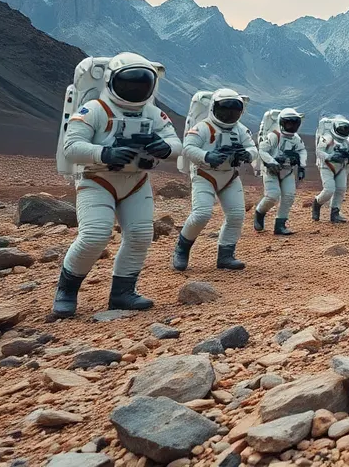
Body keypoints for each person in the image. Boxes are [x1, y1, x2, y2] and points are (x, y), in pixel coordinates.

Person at [54, 53, 180, 318]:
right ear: (111, 81)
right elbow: (71, 146)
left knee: (140, 236)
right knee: (94, 235)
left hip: (135, 182)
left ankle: (122, 293)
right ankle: (66, 291)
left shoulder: (153, 113)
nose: (135, 90)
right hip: (97, 179)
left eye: (141, 84)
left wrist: (165, 147)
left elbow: (176, 143)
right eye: (129, 84)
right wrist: (104, 154)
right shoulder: (95, 110)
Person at [173, 89, 258, 270]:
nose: (229, 114)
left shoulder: (240, 129)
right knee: (201, 214)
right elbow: (188, 147)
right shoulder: (203, 128)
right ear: (213, 108)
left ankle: (226, 255)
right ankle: (182, 248)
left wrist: (246, 154)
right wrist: (207, 156)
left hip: (229, 176)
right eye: (225, 110)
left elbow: (253, 148)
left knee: (236, 215)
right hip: (205, 174)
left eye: (234, 111)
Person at [253, 107, 308, 236]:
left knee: (289, 196)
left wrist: (301, 164)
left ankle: (280, 225)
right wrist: (272, 161)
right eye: (289, 123)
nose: (291, 126)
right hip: (271, 170)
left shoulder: (296, 139)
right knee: (272, 195)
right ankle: (259, 212)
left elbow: (302, 150)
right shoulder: (274, 136)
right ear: (282, 123)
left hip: (287, 171)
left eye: (294, 123)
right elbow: (262, 149)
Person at [312, 115, 349, 224]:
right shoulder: (327, 137)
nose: (344, 131)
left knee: (341, 189)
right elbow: (319, 152)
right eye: (342, 129)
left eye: (346, 129)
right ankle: (317, 202)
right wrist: (331, 156)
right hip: (327, 167)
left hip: (341, 167)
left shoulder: (347, 140)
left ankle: (335, 213)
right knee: (329, 189)